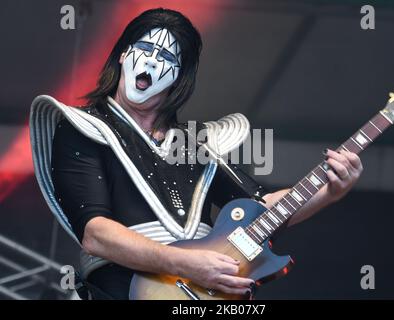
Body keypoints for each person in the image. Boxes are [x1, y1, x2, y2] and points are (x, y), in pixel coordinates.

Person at [30, 8, 362, 300]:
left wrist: (332, 191)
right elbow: (96, 234)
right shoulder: (83, 128)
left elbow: (262, 208)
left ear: (179, 77)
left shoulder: (194, 144)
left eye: (167, 58)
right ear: (123, 55)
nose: (150, 61)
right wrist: (185, 263)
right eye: (144, 48)